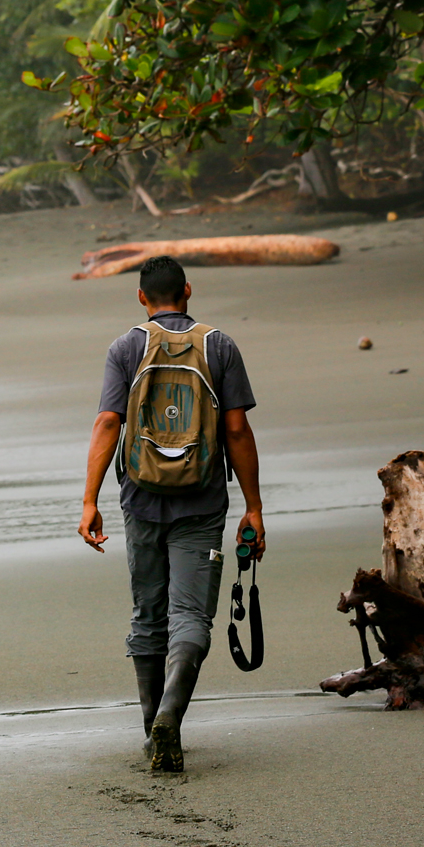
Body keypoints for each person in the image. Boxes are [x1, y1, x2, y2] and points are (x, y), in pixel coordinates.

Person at [76, 255, 263, 773]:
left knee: (147, 612)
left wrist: (90, 500)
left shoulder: (126, 347)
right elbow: (236, 432)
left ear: (141, 297)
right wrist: (254, 507)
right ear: (188, 290)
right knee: (190, 614)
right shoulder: (219, 345)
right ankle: (170, 719)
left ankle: (150, 727)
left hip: (140, 499)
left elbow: (107, 425)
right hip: (202, 501)